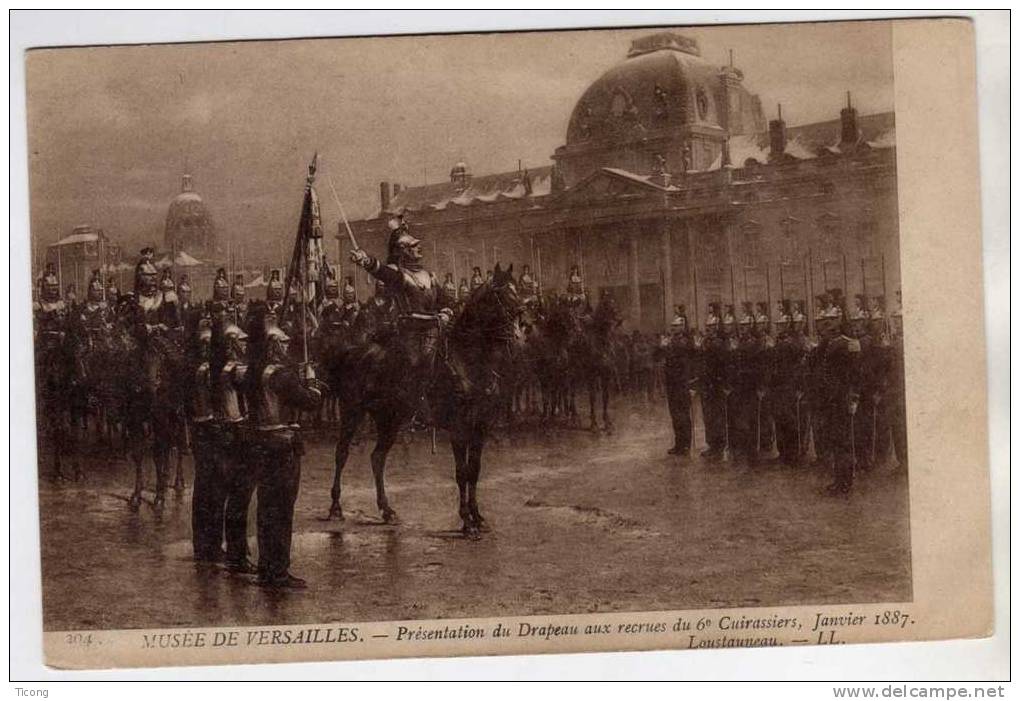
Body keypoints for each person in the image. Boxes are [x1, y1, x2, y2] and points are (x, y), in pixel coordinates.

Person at [246, 305, 324, 588]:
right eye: (282, 343)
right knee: (282, 510)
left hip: (262, 443)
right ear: (274, 346)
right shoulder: (282, 375)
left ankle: (267, 566)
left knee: (266, 509)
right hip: (282, 446)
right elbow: (311, 402)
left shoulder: (257, 372)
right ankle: (278, 570)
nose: (287, 347)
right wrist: (312, 379)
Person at [349, 216, 453, 424]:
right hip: (412, 332)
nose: (419, 248)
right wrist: (365, 260)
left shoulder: (429, 275)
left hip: (435, 328)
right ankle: (417, 409)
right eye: (414, 247)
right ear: (404, 251)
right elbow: (382, 272)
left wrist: (446, 312)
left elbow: (444, 300)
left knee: (452, 361)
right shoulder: (400, 275)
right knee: (419, 363)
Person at [662, 311, 697, 456]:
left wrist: (666, 347)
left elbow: (684, 360)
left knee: (683, 415)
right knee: (675, 415)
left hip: (682, 382)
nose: (673, 329)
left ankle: (686, 445)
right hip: (672, 383)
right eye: (672, 326)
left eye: (676, 326)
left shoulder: (685, 342)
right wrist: (662, 346)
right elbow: (657, 356)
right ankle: (678, 443)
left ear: (682, 327)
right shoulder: (671, 341)